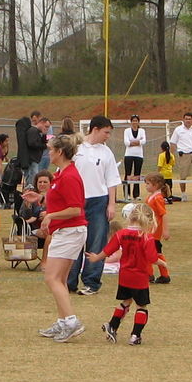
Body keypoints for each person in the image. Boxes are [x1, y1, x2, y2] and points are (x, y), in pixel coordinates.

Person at [33, 134, 87, 342]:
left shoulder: (71, 175)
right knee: (60, 279)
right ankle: (63, 321)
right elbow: (60, 199)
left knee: (51, 277)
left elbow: (75, 209)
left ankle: (72, 321)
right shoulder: (60, 174)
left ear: (60, 152)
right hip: (65, 231)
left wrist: (52, 216)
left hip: (71, 231)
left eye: (51, 149)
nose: (48, 152)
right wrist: (40, 199)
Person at [66, 115, 121, 297]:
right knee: (74, 241)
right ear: (95, 129)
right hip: (77, 201)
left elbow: (112, 179)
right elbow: (65, 173)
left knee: (96, 242)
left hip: (99, 201)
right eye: (106, 132)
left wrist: (111, 204)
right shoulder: (76, 149)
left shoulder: (106, 153)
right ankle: (69, 281)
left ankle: (91, 282)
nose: (108, 136)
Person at [91, 202, 158, 346]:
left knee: (126, 301)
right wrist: (161, 263)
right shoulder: (146, 237)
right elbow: (152, 258)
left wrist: (96, 257)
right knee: (141, 306)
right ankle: (135, 335)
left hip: (125, 275)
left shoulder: (121, 234)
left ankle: (112, 325)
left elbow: (109, 249)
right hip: (139, 277)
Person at [168, 112, 192, 199]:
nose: (188, 120)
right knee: (183, 176)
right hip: (183, 154)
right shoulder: (178, 130)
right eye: (186, 119)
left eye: (189, 119)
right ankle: (183, 193)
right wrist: (171, 154)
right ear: (183, 120)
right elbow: (173, 142)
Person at [144, 173, 172, 283]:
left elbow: (163, 214)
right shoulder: (151, 196)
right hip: (149, 229)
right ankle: (150, 274)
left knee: (154, 252)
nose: (146, 186)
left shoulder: (158, 198)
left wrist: (165, 230)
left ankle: (162, 275)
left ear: (155, 185)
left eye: (148, 184)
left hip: (154, 231)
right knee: (149, 251)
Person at [123, 114, 146, 200]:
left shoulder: (142, 130)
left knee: (137, 174)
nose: (134, 122)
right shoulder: (127, 131)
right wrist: (137, 142)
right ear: (131, 121)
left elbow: (143, 141)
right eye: (133, 120)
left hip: (139, 155)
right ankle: (127, 194)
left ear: (138, 122)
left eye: (136, 120)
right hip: (129, 155)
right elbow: (126, 142)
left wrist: (134, 142)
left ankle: (136, 194)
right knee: (128, 174)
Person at [20, 110, 46, 186]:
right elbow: (32, 143)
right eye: (34, 120)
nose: (35, 122)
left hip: (35, 158)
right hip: (32, 159)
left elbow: (42, 141)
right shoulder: (33, 130)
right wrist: (44, 146)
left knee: (34, 176)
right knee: (32, 179)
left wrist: (44, 135)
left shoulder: (38, 131)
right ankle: (30, 191)